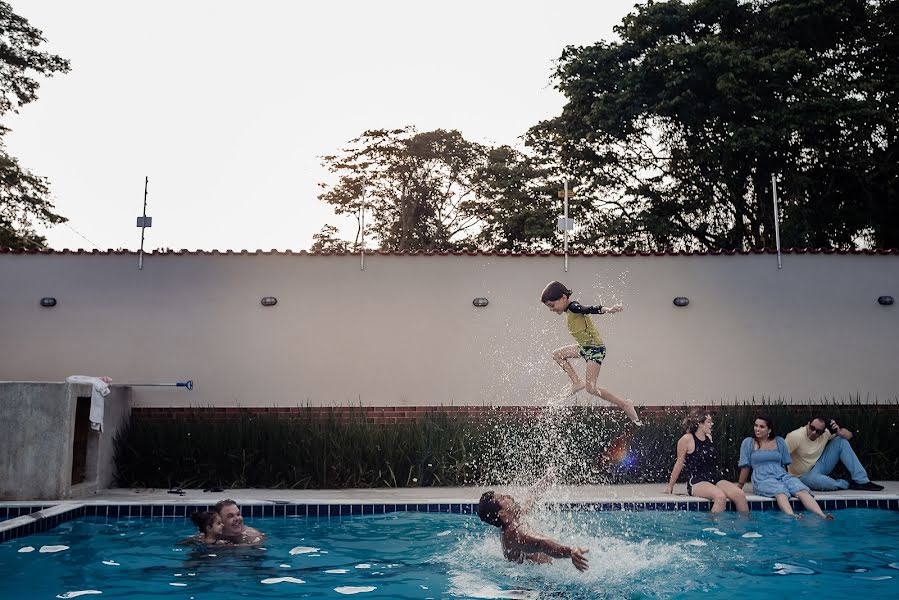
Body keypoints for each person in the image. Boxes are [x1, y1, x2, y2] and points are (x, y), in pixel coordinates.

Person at [540, 280, 641, 424]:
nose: (551, 309)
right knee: (557, 355)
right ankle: (576, 381)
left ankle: (625, 404)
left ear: (563, 298)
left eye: (552, 305)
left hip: (594, 349)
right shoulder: (569, 310)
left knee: (591, 388)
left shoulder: (574, 307)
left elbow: (588, 309)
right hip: (584, 347)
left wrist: (608, 309)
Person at [477, 468, 590, 571]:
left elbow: (530, 496)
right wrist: (570, 551)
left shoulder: (510, 520)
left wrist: (547, 478)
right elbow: (542, 544)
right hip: (535, 587)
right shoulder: (516, 533)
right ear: (502, 512)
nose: (507, 496)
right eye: (502, 498)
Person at [737, 416, 834, 520]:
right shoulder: (748, 443)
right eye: (756, 426)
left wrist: (788, 480)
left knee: (800, 489)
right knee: (780, 491)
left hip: (781, 474)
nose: (757, 429)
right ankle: (791, 515)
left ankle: (822, 515)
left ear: (769, 430)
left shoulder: (779, 441)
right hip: (763, 478)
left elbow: (784, 464)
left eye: (761, 426)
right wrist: (739, 487)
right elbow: (745, 467)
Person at [664, 410, 748, 513]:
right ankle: (713, 528)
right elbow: (679, 463)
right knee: (720, 497)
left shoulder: (709, 437)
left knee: (740, 495)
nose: (712, 424)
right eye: (709, 422)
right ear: (700, 423)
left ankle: (745, 526)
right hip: (697, 481)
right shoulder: (686, 439)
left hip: (715, 478)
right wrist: (670, 486)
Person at [785, 417, 884, 492]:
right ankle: (848, 483)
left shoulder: (825, 433)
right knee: (825, 483)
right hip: (802, 476)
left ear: (823, 432)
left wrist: (839, 432)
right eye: (812, 428)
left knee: (841, 441)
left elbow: (849, 436)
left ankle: (862, 481)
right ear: (808, 424)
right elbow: (780, 456)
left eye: (818, 431)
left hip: (819, 466)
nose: (814, 432)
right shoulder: (795, 436)